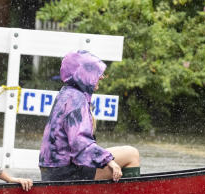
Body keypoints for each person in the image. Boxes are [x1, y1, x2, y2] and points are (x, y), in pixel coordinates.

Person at [39, 49, 140, 182]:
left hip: (53, 170)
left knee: (118, 153)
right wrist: (109, 161)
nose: (102, 77)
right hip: (65, 173)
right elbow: (79, 142)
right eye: (96, 73)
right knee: (131, 154)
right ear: (84, 74)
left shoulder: (66, 93)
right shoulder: (76, 99)